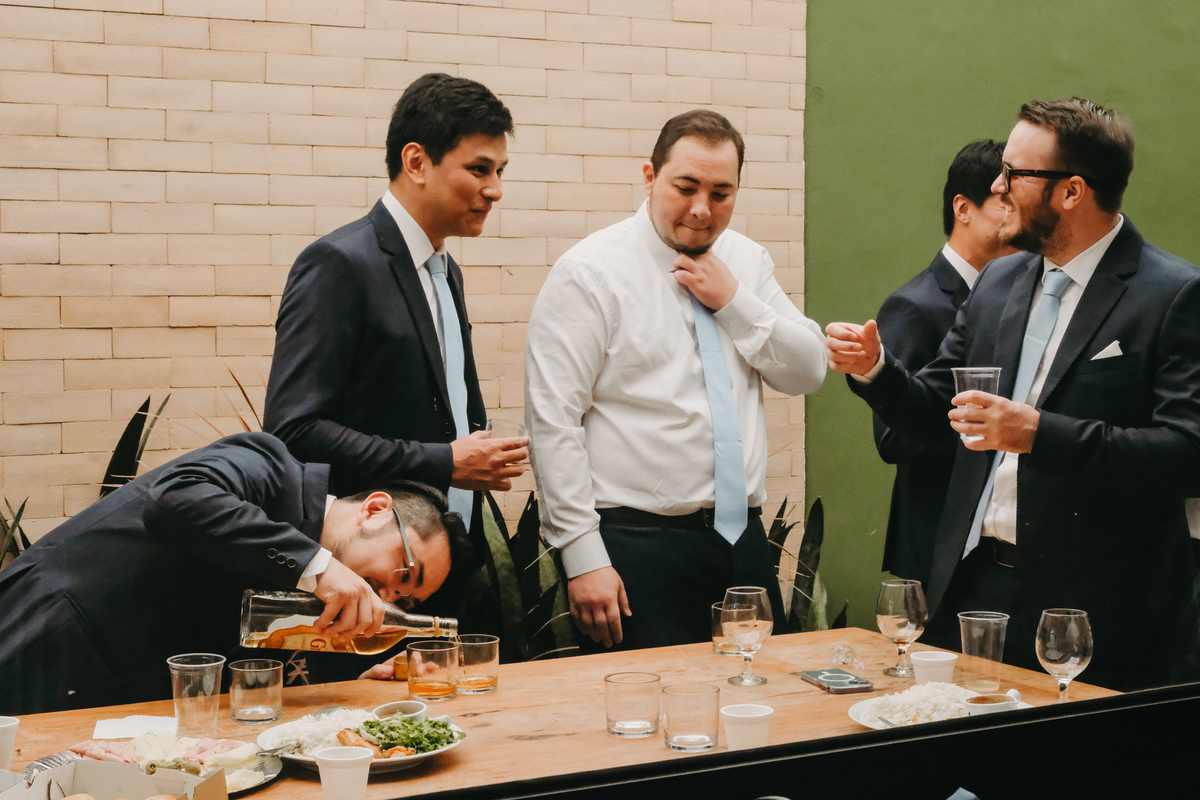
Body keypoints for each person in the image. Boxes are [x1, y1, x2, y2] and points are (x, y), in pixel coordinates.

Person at [827, 98, 1200, 690]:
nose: (998, 186)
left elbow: (1187, 453)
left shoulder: (1173, 294)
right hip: (972, 585)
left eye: (1013, 173)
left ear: (1071, 191)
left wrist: (1039, 434)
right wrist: (876, 370)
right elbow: (933, 414)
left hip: (1096, 609)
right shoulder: (999, 282)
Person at [525, 110, 827, 652]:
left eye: (721, 193)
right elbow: (553, 422)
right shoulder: (588, 273)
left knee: (763, 696)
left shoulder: (745, 261)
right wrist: (582, 556)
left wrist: (734, 302)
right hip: (636, 546)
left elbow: (808, 370)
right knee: (649, 702)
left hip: (743, 541)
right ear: (650, 176)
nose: (701, 209)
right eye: (685, 188)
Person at [0, 432, 468, 714]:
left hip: (116, 707)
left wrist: (351, 687)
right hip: (48, 642)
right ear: (375, 509)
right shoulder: (269, 467)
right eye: (403, 573)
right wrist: (317, 564)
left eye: (404, 600)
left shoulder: (317, 598)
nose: (386, 597)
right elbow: (174, 498)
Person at [263, 72, 528, 556]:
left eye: (500, 172)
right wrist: (443, 461)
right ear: (416, 162)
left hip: (449, 551)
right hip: (371, 566)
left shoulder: (446, 271)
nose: (495, 190)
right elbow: (293, 431)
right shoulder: (339, 264)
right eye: (479, 169)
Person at [875, 140, 1016, 586]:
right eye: (1004, 202)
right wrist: (982, 424)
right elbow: (892, 440)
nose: (1016, 215)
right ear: (963, 208)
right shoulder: (913, 306)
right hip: (936, 545)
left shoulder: (1015, 301)